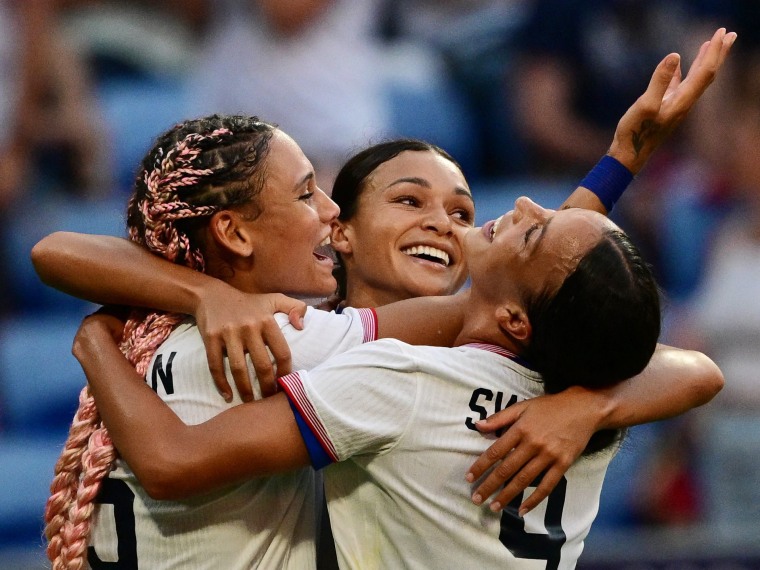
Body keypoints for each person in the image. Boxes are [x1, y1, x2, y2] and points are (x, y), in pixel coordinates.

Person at [32, 30, 732, 568]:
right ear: (343, 231)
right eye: (408, 200)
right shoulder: (331, 348)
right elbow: (559, 301)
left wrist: (102, 334)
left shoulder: (411, 365)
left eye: (463, 213)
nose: (445, 224)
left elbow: (557, 295)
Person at [70, 195, 697, 569]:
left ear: (514, 320)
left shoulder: (402, 380)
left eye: (535, 229)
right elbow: (697, 369)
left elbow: (172, 461)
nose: (530, 203)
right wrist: (593, 407)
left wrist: (97, 344)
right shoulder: (584, 388)